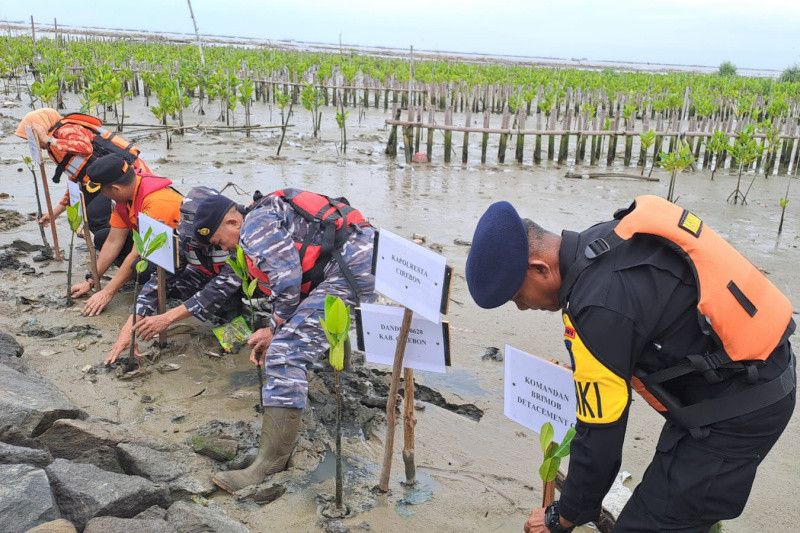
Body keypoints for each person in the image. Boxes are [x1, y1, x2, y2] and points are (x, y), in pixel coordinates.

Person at [465, 195, 795, 533]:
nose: (522, 308)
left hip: (742, 410)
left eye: (518, 297)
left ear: (539, 268)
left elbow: (601, 438)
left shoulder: (596, 309)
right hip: (749, 371)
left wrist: (564, 516)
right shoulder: (601, 241)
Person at [193, 188, 375, 493]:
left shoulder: (254, 226)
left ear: (232, 221)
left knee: (286, 352)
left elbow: (288, 282)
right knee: (302, 327)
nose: (222, 247)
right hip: (359, 258)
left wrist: (272, 328)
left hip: (354, 269)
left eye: (217, 240)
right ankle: (338, 373)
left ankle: (269, 463)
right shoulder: (267, 212)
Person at [104, 187, 242, 364]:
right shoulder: (185, 238)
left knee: (238, 337)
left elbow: (219, 289)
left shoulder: (240, 236)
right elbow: (160, 280)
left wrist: (167, 318)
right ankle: (219, 318)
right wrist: (130, 326)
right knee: (183, 280)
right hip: (211, 280)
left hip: (245, 291)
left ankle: (243, 327)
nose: (195, 242)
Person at [14, 109, 149, 256]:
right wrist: (54, 213)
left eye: (33, 138)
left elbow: (85, 147)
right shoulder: (57, 144)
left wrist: (48, 139)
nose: (36, 144)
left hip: (125, 175)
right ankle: (114, 250)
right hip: (100, 180)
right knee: (92, 215)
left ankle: (121, 251)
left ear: (42, 127)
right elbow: (77, 177)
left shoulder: (66, 131)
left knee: (95, 215)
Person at [70, 154, 182, 317]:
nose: (103, 195)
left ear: (115, 189)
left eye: (103, 191)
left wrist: (108, 292)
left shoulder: (156, 201)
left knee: (139, 265)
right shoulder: (128, 195)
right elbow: (113, 241)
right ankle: (134, 280)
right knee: (102, 237)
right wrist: (91, 280)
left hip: (182, 258)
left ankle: (172, 291)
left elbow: (137, 252)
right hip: (157, 247)